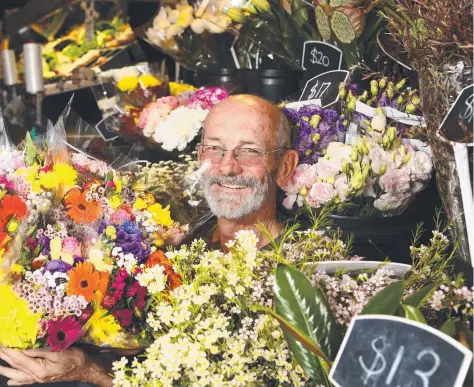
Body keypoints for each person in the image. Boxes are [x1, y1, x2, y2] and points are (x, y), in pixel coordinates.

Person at [0, 95, 299, 386]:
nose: (227, 166)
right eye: (215, 149)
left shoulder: (292, 282)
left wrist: (87, 371)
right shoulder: (173, 242)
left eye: (248, 151)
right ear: (199, 158)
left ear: (285, 167)